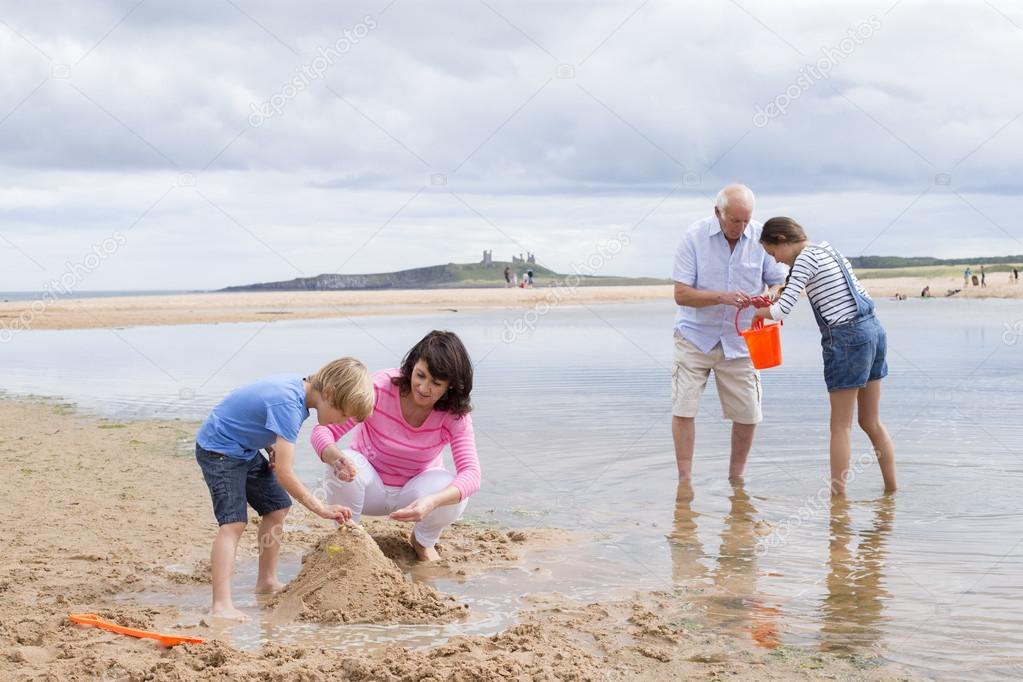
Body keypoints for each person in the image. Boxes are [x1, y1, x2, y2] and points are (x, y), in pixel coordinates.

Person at [195, 358, 375, 621]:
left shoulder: (299, 392)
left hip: (243, 447)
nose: (343, 422)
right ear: (329, 394)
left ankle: (266, 581)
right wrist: (320, 507)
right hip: (219, 449)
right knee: (233, 524)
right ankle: (220, 604)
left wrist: (269, 444)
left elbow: (254, 416)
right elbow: (284, 472)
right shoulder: (289, 404)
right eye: (345, 414)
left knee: (277, 506)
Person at [754, 217, 896, 495]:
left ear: (782, 239)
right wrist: (776, 295)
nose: (777, 262)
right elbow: (801, 287)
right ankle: (892, 491)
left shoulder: (804, 259)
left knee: (840, 427)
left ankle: (837, 501)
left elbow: (782, 311)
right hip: (874, 331)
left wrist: (757, 313)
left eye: (773, 254)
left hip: (846, 340)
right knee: (871, 422)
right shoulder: (827, 250)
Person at [312, 331, 481, 562]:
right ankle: (349, 537)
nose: (423, 387)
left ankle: (423, 542)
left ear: (450, 386)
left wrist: (432, 502)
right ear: (412, 366)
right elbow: (324, 430)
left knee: (453, 490)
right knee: (343, 462)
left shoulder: (454, 414)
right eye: (420, 375)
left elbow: (472, 475)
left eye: (436, 383)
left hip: (414, 496)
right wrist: (335, 458)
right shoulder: (379, 387)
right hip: (368, 486)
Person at [671, 184, 788, 482]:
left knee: (749, 414)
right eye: (735, 220)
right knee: (684, 408)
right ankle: (685, 480)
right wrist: (721, 297)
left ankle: (736, 480)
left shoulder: (760, 238)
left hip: (741, 341)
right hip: (695, 336)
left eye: (746, 220)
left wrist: (771, 296)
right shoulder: (693, 237)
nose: (741, 227)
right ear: (717, 213)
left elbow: (778, 282)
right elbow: (682, 295)